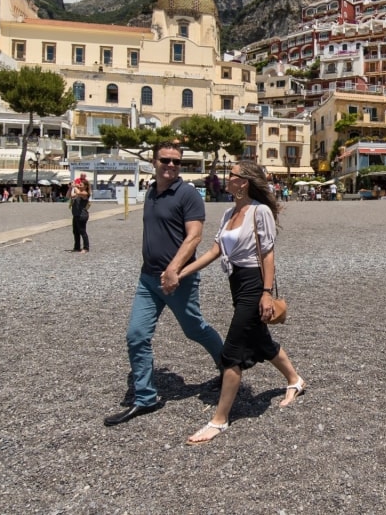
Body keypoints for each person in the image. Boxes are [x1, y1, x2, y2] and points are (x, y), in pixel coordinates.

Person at [177, 160, 305, 444]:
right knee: (261, 340)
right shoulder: (228, 213)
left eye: (231, 175)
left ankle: (219, 420)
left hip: (254, 283)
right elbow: (214, 251)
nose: (227, 178)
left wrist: (266, 292)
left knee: (232, 350)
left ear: (243, 182)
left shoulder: (260, 213)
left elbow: (268, 254)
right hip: (235, 283)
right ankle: (295, 380)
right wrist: (181, 272)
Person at [103, 141, 225, 427]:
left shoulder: (188, 194)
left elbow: (194, 236)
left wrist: (173, 269)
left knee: (195, 329)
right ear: (153, 161)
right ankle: (146, 397)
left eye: (176, 162)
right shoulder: (151, 193)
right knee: (136, 335)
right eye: (165, 160)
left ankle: (228, 366)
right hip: (148, 278)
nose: (171, 165)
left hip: (179, 278)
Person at [68, 180, 90, 253]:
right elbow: (69, 196)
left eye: (81, 185)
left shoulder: (85, 193)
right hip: (75, 214)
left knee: (82, 231)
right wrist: (70, 188)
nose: (79, 185)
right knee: (75, 231)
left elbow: (78, 193)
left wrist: (74, 186)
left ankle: (86, 247)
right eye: (79, 184)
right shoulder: (78, 193)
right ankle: (77, 247)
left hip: (82, 215)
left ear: (85, 186)